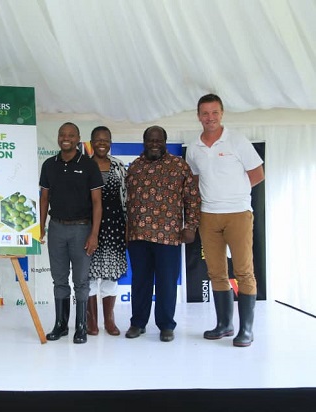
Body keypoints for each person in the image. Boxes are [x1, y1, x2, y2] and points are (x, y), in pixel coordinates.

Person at [186, 93, 265, 347]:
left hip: (238, 214)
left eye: (214, 113)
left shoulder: (237, 140)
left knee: (244, 271)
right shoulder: (193, 147)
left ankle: (247, 330)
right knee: (216, 272)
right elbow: (196, 180)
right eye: (205, 113)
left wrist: (236, 194)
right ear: (199, 116)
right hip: (208, 215)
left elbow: (257, 174)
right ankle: (224, 324)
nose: (210, 118)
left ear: (222, 114)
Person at [125, 125, 201, 342]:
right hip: (138, 235)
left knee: (167, 282)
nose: (154, 144)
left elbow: (192, 199)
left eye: (159, 141)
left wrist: (191, 226)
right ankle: (137, 323)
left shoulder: (179, 166)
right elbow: (126, 201)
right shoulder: (135, 167)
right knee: (140, 281)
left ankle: (166, 325)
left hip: (169, 235)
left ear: (165, 142)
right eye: (150, 140)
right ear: (144, 142)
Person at [39, 122, 103, 344]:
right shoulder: (49, 164)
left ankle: (81, 327)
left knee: (81, 281)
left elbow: (97, 203)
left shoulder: (88, 165)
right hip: (56, 228)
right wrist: (40, 227)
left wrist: (94, 234)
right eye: (62, 134)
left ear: (78, 138)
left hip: (81, 229)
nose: (66, 138)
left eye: (71, 135)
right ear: (58, 138)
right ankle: (61, 325)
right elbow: (44, 198)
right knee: (59, 280)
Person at [86, 126, 128, 336]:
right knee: (90, 275)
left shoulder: (119, 166)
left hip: (114, 227)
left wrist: (128, 225)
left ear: (110, 142)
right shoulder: (84, 166)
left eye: (106, 140)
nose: (102, 143)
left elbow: (126, 198)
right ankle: (91, 322)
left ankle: (109, 321)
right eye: (97, 140)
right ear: (91, 142)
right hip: (88, 227)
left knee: (111, 275)